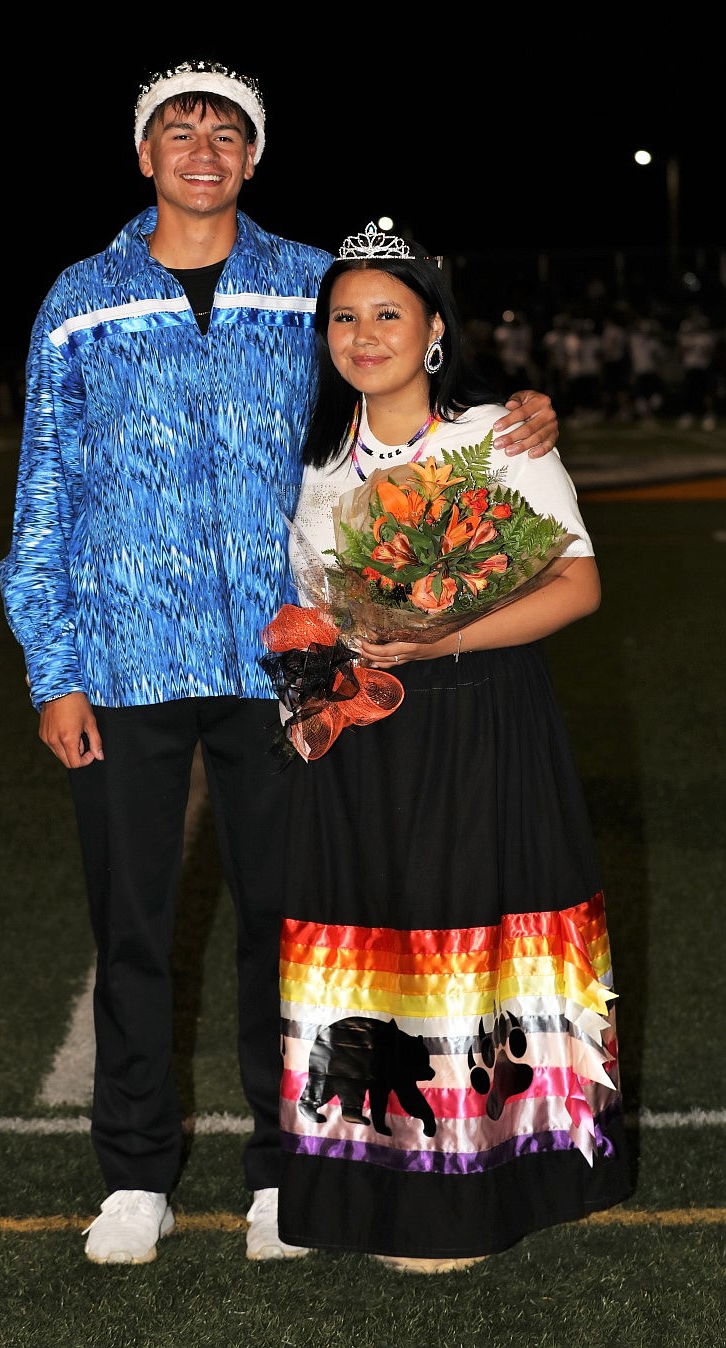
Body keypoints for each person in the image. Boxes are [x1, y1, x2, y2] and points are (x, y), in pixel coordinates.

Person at [0, 60, 560, 1268]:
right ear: (143, 154)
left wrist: (515, 419)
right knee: (133, 924)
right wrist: (54, 668)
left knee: (288, 923)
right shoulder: (79, 296)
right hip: (124, 654)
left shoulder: (308, 283)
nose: (202, 145)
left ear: (252, 156)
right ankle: (135, 1175)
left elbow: (404, 377)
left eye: (225, 130)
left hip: (288, 663)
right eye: (177, 128)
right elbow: (42, 489)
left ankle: (280, 1168)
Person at [274, 226, 631, 1272]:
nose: (363, 334)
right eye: (343, 316)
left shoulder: (497, 433)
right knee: (375, 942)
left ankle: (479, 1195)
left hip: (481, 719)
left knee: (468, 942)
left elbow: (575, 584)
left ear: (433, 330)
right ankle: (383, 1186)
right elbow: (307, 604)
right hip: (364, 735)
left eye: (388, 312)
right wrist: (314, 675)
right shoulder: (314, 459)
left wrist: (446, 631)